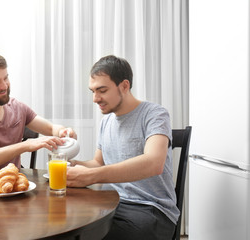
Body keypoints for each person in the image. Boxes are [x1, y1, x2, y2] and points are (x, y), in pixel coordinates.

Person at [67, 55, 179, 240]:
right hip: (112, 203)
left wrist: (91, 176)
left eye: (102, 90)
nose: (95, 98)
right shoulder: (106, 122)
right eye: (93, 91)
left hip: (151, 208)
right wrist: (70, 165)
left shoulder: (155, 114)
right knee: (72, 227)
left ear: (124, 86)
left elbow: (153, 163)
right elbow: (97, 163)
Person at [0, 50, 77, 173]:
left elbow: (50, 129)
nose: (4, 86)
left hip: (15, 186)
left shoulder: (17, 107)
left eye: (5, 78)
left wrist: (63, 132)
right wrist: (25, 146)